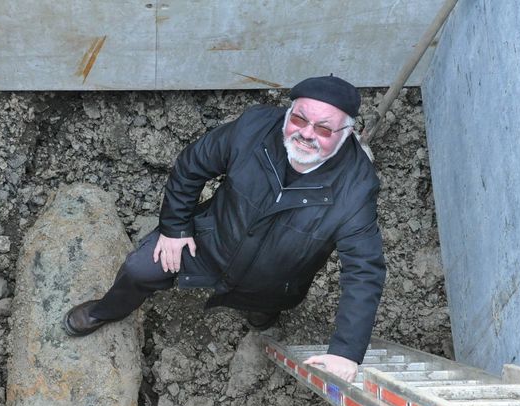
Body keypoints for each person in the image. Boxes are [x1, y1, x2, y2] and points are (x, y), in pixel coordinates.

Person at [63, 75, 386, 383]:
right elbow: (191, 166)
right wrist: (175, 229)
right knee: (139, 269)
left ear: (346, 133)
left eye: (324, 128)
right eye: (299, 119)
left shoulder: (356, 189)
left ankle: (261, 316)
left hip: (273, 279)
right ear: (288, 113)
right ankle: (106, 310)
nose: (306, 133)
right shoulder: (252, 128)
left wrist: (346, 351)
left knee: (263, 309)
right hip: (207, 243)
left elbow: (363, 272)